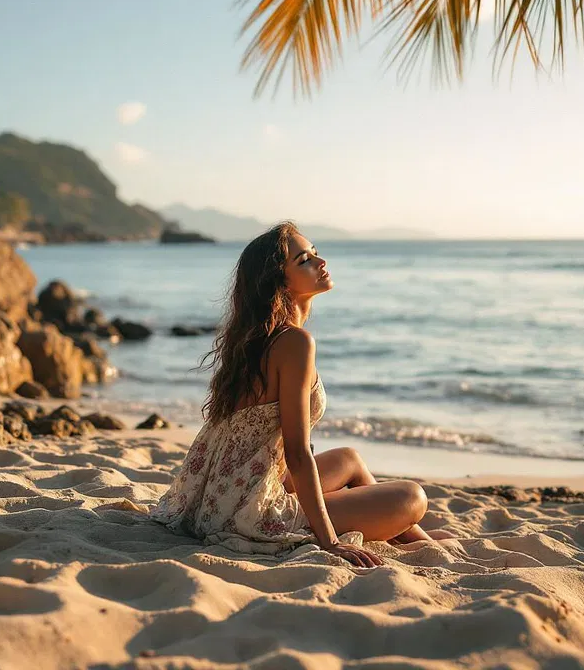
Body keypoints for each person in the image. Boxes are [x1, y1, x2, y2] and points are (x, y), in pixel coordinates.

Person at [148, 221, 455, 567]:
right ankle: (410, 531)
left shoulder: (260, 340)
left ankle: (418, 539)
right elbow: (296, 454)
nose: (320, 262)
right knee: (412, 496)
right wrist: (330, 542)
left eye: (315, 254)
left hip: (221, 500)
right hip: (247, 512)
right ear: (279, 281)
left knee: (350, 459)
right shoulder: (293, 343)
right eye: (304, 260)